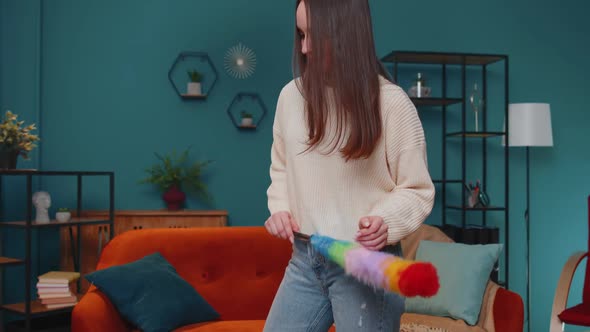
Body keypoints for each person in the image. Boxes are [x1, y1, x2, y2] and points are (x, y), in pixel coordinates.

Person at [263, 0, 435, 331]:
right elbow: (282, 167)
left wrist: (386, 220)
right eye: (300, 34)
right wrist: (281, 208)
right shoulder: (290, 97)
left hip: (367, 264)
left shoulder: (392, 103)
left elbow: (417, 189)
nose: (305, 47)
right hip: (305, 258)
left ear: (346, 35)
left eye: (314, 35)